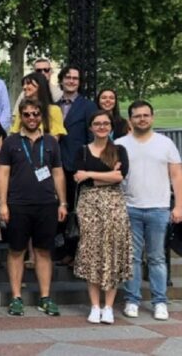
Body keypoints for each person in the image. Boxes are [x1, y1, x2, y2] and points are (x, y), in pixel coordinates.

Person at [0, 98, 67, 317]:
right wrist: (2, 203)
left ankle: (45, 297)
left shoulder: (51, 141)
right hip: (18, 204)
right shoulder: (10, 142)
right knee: (16, 250)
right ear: (21, 116)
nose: (31, 118)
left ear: (41, 116)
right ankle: (16, 297)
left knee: (43, 251)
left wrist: (63, 202)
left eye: (35, 114)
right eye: (26, 114)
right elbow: (3, 173)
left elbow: (58, 173)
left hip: (46, 203)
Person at [117, 101, 182, 321]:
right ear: (130, 120)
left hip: (158, 207)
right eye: (137, 116)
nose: (142, 119)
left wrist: (179, 205)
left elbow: (177, 176)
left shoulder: (165, 144)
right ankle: (132, 299)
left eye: (146, 115)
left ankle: (160, 301)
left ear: (152, 117)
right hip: (129, 207)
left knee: (157, 258)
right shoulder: (120, 144)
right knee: (132, 258)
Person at [73, 110, 132, 325]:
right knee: (92, 252)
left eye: (105, 123)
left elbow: (119, 176)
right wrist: (106, 176)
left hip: (114, 205)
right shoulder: (82, 151)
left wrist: (91, 174)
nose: (101, 127)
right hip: (89, 205)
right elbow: (78, 177)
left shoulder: (119, 150)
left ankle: (108, 306)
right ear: (91, 127)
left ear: (111, 126)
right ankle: (95, 305)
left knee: (112, 252)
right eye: (97, 123)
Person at [56, 66, 97, 265]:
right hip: (56, 166)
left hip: (77, 167)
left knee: (78, 211)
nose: (71, 81)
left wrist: (86, 166)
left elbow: (92, 138)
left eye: (75, 78)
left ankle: (78, 254)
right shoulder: (53, 106)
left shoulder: (88, 106)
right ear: (61, 80)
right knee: (60, 209)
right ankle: (65, 251)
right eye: (68, 77)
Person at [10, 72, 67, 137]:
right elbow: (14, 134)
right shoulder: (22, 109)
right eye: (24, 84)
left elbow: (55, 139)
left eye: (28, 83)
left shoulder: (54, 110)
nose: (24, 87)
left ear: (40, 85)